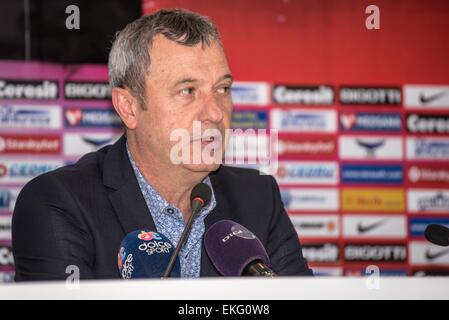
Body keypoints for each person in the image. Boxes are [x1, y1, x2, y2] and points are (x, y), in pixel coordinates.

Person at [12, 8, 312, 280]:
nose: (215, 112)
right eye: (188, 90)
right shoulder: (59, 204)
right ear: (128, 107)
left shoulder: (259, 198)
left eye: (223, 88)